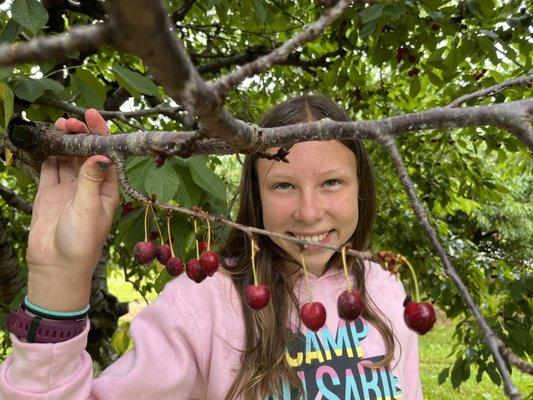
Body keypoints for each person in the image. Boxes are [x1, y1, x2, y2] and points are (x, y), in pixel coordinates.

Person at [0, 94, 422, 400]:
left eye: (331, 182)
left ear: (360, 189)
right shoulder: (207, 302)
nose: (309, 213)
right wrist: (58, 278)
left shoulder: (385, 290)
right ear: (256, 196)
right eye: (283, 185)